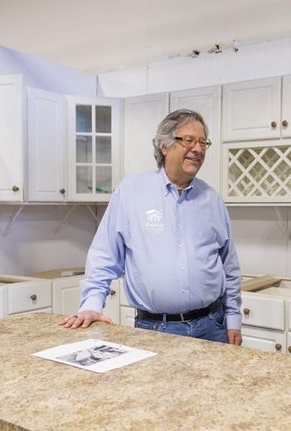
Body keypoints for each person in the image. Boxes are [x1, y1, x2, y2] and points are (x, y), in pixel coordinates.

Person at [59, 109, 243, 346]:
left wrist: (233, 319)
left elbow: (229, 266)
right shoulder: (131, 192)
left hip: (213, 326)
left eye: (203, 142)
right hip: (155, 330)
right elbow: (104, 256)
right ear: (164, 146)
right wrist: (91, 305)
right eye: (189, 140)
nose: (198, 149)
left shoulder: (212, 200)